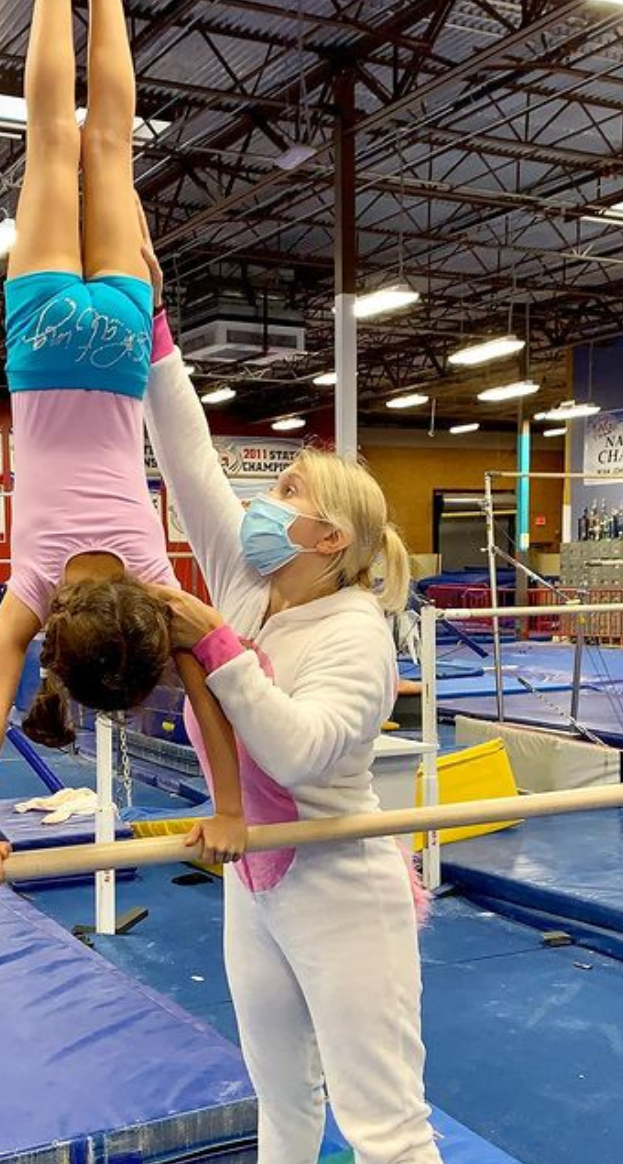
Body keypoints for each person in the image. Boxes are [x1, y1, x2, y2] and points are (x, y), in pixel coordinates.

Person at [139, 217, 441, 1164]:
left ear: (328, 541)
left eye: (286, 497)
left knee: (384, 1125)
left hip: (339, 880)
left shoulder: (357, 633)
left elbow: (299, 750)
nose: (261, 505)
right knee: (281, 1103)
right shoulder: (248, 580)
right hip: (256, 878)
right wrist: (153, 330)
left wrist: (214, 643)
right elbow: (188, 459)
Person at [0, 0, 246, 893]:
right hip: (42, 344)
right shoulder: (36, 588)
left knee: (109, 142)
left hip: (118, 345)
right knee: (50, 141)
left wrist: (227, 807)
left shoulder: (156, 584)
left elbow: (207, 688)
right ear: (58, 646)